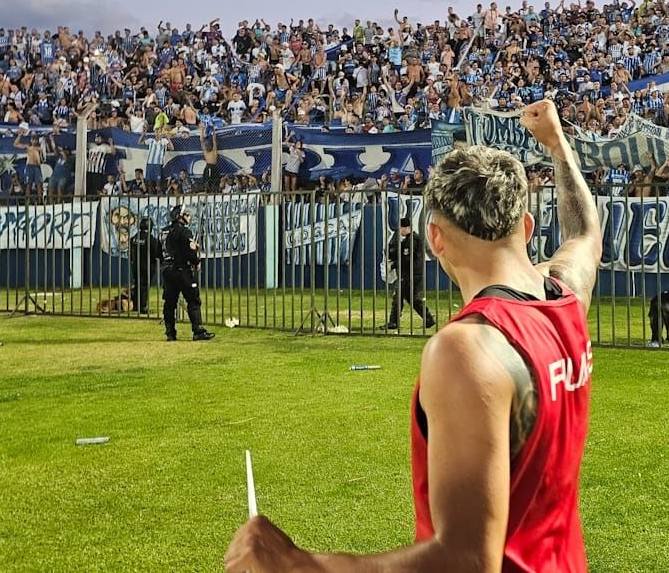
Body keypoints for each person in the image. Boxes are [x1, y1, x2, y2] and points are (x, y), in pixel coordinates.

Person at [225, 98, 602, 572]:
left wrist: (299, 565)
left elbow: (466, 559)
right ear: (526, 227)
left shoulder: (468, 347)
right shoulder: (565, 297)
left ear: (436, 239)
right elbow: (585, 232)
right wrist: (557, 144)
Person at [160, 205, 215, 341]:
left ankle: (170, 333)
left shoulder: (163, 232)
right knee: (193, 300)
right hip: (181, 270)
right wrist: (196, 260)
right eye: (187, 214)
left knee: (169, 302)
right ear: (180, 216)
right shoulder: (184, 232)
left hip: (167, 270)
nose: (189, 217)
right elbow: (188, 253)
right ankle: (198, 331)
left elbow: (159, 251)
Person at [379, 217, 435, 331]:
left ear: (406, 227)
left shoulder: (411, 241)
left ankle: (393, 322)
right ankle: (428, 319)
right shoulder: (412, 239)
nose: (400, 230)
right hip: (413, 273)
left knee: (397, 296)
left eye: (401, 228)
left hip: (409, 274)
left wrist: (393, 265)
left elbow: (406, 259)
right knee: (412, 299)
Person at [129, 217, 162, 315]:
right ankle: (142, 306)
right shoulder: (151, 239)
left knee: (137, 284)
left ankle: (136, 305)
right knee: (144, 286)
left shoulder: (134, 238)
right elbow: (157, 254)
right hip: (147, 266)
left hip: (135, 265)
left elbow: (131, 253)